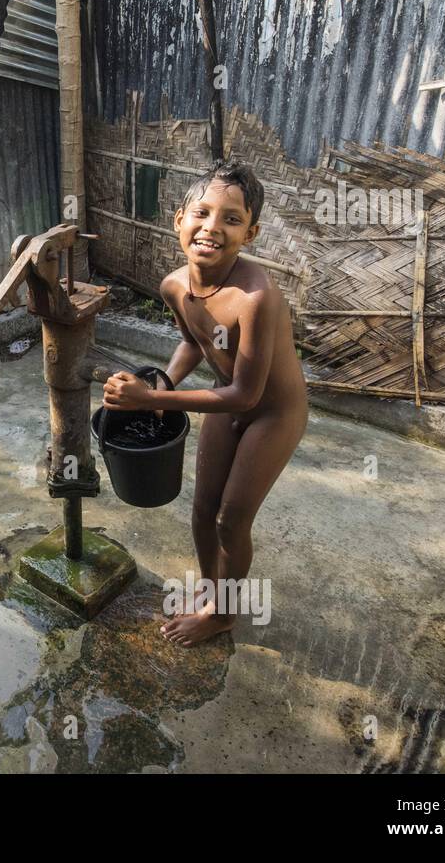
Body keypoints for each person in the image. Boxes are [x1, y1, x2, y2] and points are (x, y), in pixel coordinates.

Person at [102, 161, 308, 647]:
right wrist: (164, 381)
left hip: (272, 413)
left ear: (250, 233)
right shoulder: (174, 287)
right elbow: (198, 342)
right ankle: (213, 590)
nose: (213, 227)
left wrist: (154, 396)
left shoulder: (256, 297)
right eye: (202, 212)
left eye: (231, 219)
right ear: (179, 219)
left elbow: (246, 393)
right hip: (225, 403)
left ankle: (224, 614)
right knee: (201, 512)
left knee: (230, 519)